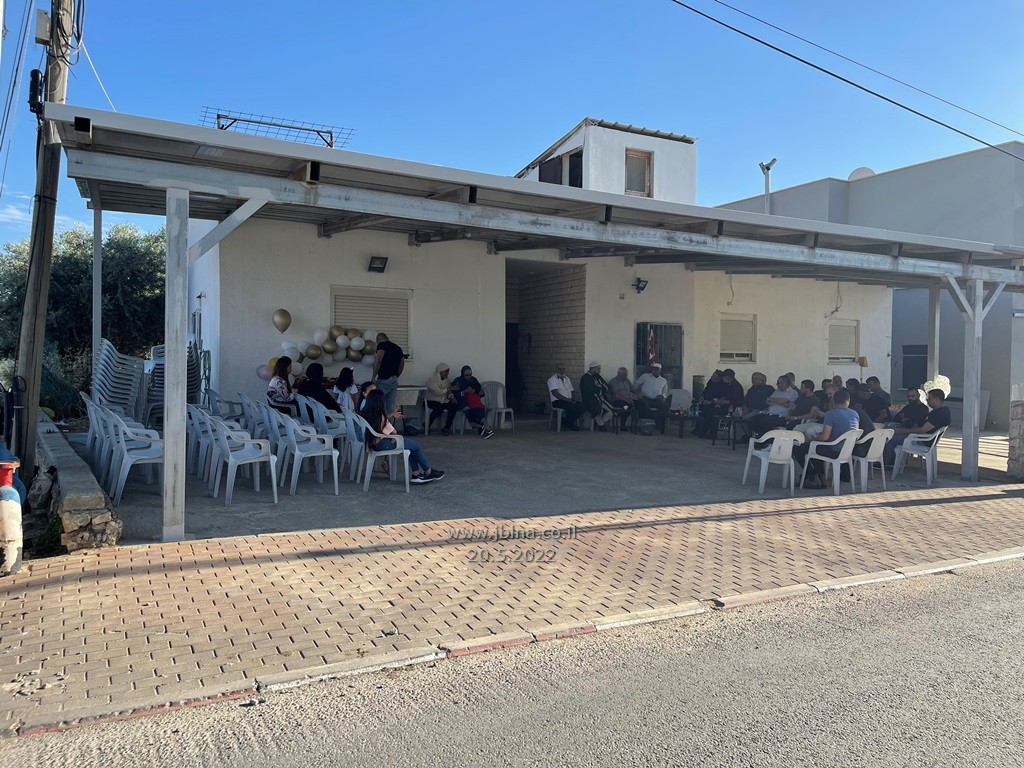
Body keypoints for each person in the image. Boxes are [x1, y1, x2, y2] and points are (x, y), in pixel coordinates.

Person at [361, 390, 444, 484]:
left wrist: (392, 414)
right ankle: (427, 471)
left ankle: (417, 474)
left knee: (412, 446)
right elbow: (394, 432)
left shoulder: (366, 413)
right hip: (383, 443)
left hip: (373, 443)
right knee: (416, 446)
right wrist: (393, 434)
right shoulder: (380, 416)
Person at [793, 388, 860, 489]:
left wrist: (814, 439)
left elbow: (824, 437)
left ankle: (812, 476)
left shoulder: (831, 414)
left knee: (799, 448)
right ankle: (820, 477)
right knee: (816, 447)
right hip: (848, 450)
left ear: (834, 401)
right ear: (848, 401)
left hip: (834, 450)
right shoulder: (854, 413)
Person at [883, 389, 952, 467]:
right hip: (919, 436)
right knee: (889, 429)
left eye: (929, 398)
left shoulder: (939, 414)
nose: (927, 400)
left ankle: (888, 463)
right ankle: (893, 462)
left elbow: (922, 430)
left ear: (937, 399)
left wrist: (901, 431)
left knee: (888, 438)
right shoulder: (941, 411)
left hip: (921, 440)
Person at [451, 365, 494, 438]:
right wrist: (464, 392)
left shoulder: (473, 380)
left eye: (470, 375)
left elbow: (480, 391)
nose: (468, 377)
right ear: (462, 374)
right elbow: (454, 393)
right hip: (462, 402)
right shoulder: (458, 381)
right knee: (470, 411)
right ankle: (485, 428)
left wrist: (473, 391)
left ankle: (483, 428)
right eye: (466, 375)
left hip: (474, 402)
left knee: (475, 412)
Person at [372, 332, 405, 416]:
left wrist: (373, 377)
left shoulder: (382, 346)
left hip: (384, 378)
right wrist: (397, 375)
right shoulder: (397, 348)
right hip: (394, 379)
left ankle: (378, 423)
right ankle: (387, 423)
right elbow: (402, 364)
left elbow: (378, 361)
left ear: (379, 339)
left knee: (377, 403)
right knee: (390, 407)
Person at [634, 362, 670, 433]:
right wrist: (638, 393)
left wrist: (662, 396)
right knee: (644, 405)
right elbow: (635, 386)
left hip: (657, 400)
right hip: (645, 398)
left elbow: (665, 392)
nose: (655, 370)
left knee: (665, 407)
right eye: (654, 369)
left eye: (657, 369)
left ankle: (658, 424)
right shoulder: (645, 376)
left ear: (660, 370)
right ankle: (645, 426)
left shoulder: (663, 380)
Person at [547, 364, 586, 431]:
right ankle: (569, 423)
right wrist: (568, 400)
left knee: (583, 406)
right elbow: (555, 393)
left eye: (563, 369)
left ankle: (567, 422)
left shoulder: (567, 379)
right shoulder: (552, 380)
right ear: (556, 370)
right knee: (570, 406)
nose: (561, 370)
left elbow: (572, 390)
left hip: (568, 400)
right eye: (559, 369)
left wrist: (573, 398)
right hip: (557, 401)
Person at [425, 362, 459, 435]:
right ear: (440, 372)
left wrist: (451, 397)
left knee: (454, 406)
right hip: (432, 400)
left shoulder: (447, 380)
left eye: (448, 372)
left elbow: (449, 392)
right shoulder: (432, 379)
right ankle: (426, 425)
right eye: (446, 372)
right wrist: (449, 389)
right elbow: (437, 392)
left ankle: (446, 428)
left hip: (443, 401)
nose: (447, 374)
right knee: (439, 409)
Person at [580, 362, 615, 430]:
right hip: (590, 400)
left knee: (613, 410)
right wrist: (602, 388)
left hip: (601, 399)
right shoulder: (585, 377)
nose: (600, 370)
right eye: (598, 369)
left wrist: (602, 388)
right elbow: (591, 390)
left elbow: (608, 386)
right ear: (593, 368)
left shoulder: (598, 376)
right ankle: (601, 425)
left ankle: (599, 423)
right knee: (596, 409)